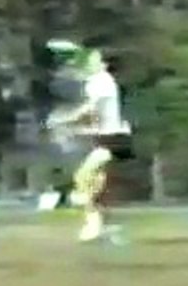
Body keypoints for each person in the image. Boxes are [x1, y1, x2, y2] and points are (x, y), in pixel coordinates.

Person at [48, 49, 132, 243]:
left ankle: (94, 223)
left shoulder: (101, 81)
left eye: (95, 59)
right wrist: (77, 129)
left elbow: (90, 109)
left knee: (83, 178)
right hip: (107, 138)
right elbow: (96, 119)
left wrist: (64, 120)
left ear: (103, 65)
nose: (89, 62)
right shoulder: (96, 82)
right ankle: (101, 226)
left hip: (114, 139)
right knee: (96, 187)